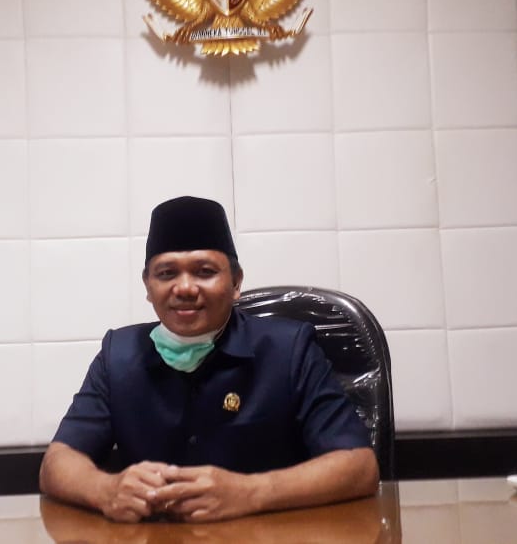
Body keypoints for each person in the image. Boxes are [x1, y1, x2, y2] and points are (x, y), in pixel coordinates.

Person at [39, 196, 379, 523]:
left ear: (236, 283)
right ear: (148, 286)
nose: (185, 288)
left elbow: (359, 467)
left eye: (204, 271)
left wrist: (250, 492)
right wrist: (106, 489)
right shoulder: (118, 355)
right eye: (166, 273)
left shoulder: (290, 350)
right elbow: (57, 463)